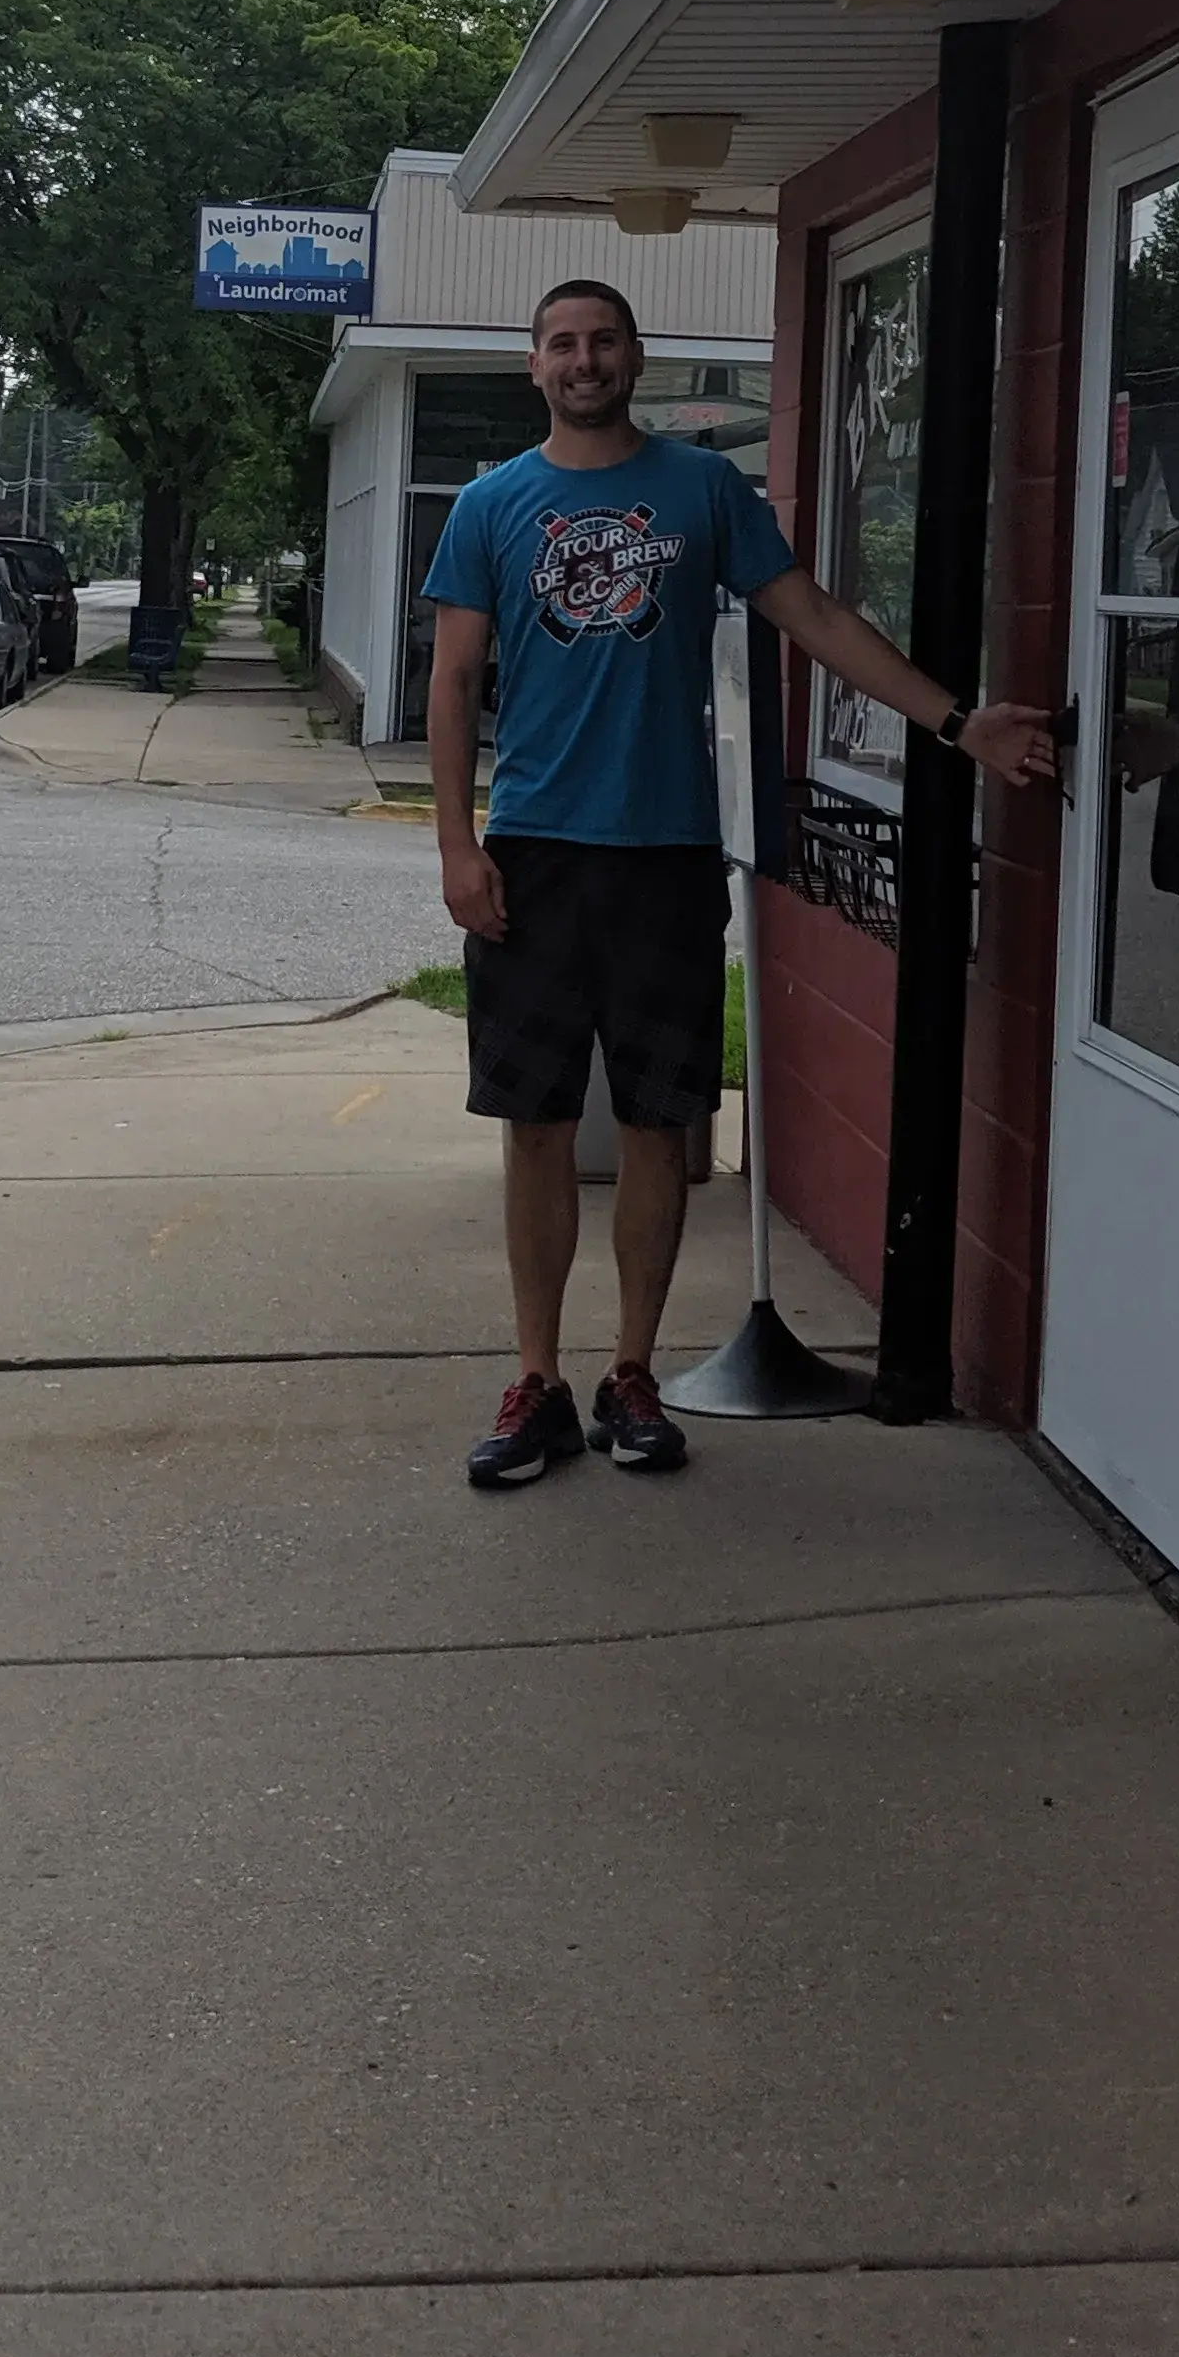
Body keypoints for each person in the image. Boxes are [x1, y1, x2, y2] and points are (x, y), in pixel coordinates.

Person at [428, 278, 1053, 1491]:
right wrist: (458, 848)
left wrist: (955, 721)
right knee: (538, 1126)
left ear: (635, 356)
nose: (584, 359)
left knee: (664, 1122)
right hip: (539, 851)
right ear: (534, 365)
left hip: (668, 850)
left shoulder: (704, 491)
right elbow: (454, 685)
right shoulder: (493, 506)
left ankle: (631, 1375)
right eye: (562, 343)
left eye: (603, 340)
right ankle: (539, 1381)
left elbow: (811, 612)